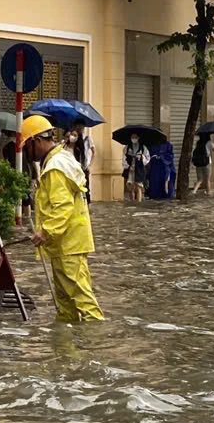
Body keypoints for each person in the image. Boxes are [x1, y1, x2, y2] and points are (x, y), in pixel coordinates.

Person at [21, 115, 103, 322]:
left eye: (26, 147)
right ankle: (66, 350)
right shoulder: (60, 160)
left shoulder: (55, 167)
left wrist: (45, 232)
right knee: (66, 305)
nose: (26, 154)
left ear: (36, 142)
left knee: (83, 303)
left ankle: (97, 347)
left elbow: (62, 207)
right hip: (65, 244)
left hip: (68, 244)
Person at [72, 120, 96, 203]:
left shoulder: (87, 138)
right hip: (75, 168)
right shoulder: (74, 138)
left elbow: (94, 152)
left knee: (86, 188)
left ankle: (87, 208)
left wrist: (90, 165)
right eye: (78, 126)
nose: (80, 128)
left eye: (81, 127)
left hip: (84, 167)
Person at [122, 134, 150, 201]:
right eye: (132, 137)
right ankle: (132, 201)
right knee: (130, 187)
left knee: (139, 187)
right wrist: (128, 166)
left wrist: (141, 157)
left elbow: (147, 159)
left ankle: (138, 203)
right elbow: (123, 158)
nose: (134, 139)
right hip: (130, 169)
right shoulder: (127, 147)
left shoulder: (143, 147)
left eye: (135, 137)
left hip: (139, 170)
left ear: (138, 138)